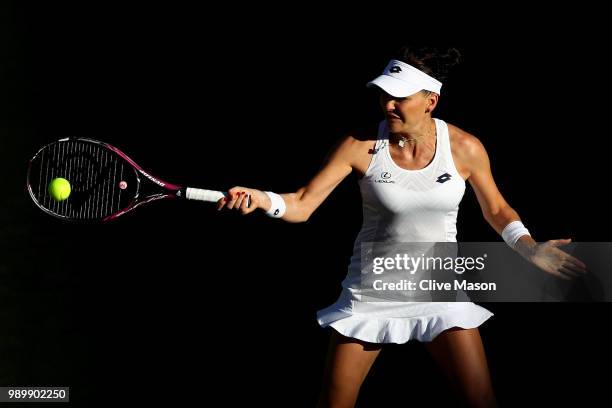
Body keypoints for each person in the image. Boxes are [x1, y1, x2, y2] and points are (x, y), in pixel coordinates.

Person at [216, 46, 587, 407]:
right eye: (383, 96)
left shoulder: (465, 148)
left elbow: (497, 208)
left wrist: (529, 246)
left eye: (399, 97)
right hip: (372, 291)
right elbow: (301, 203)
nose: (388, 105)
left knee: (481, 400)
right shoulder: (358, 146)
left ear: (430, 101)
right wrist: (262, 199)